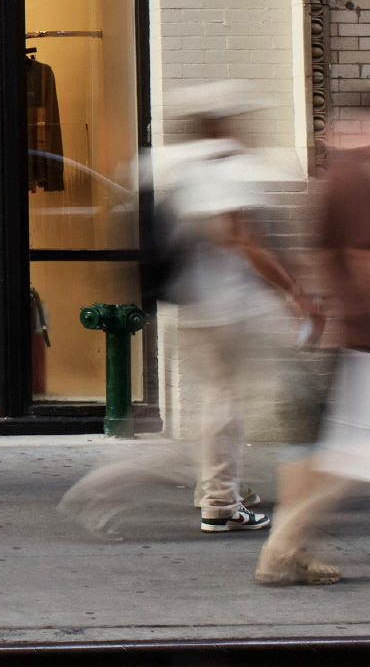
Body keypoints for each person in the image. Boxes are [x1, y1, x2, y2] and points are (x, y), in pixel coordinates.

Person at [60, 82, 319, 538]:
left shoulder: (177, 164)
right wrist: (294, 292)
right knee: (226, 407)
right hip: (228, 309)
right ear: (220, 123)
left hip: (197, 306)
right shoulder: (227, 170)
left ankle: (216, 487)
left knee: (224, 404)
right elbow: (239, 239)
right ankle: (208, 499)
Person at [253, 119, 370, 586]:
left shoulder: (342, 173)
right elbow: (360, 256)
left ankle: (287, 547)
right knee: (350, 457)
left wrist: (325, 310)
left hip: (350, 330)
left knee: (327, 450)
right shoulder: (359, 176)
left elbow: (325, 251)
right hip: (363, 333)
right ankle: (281, 550)